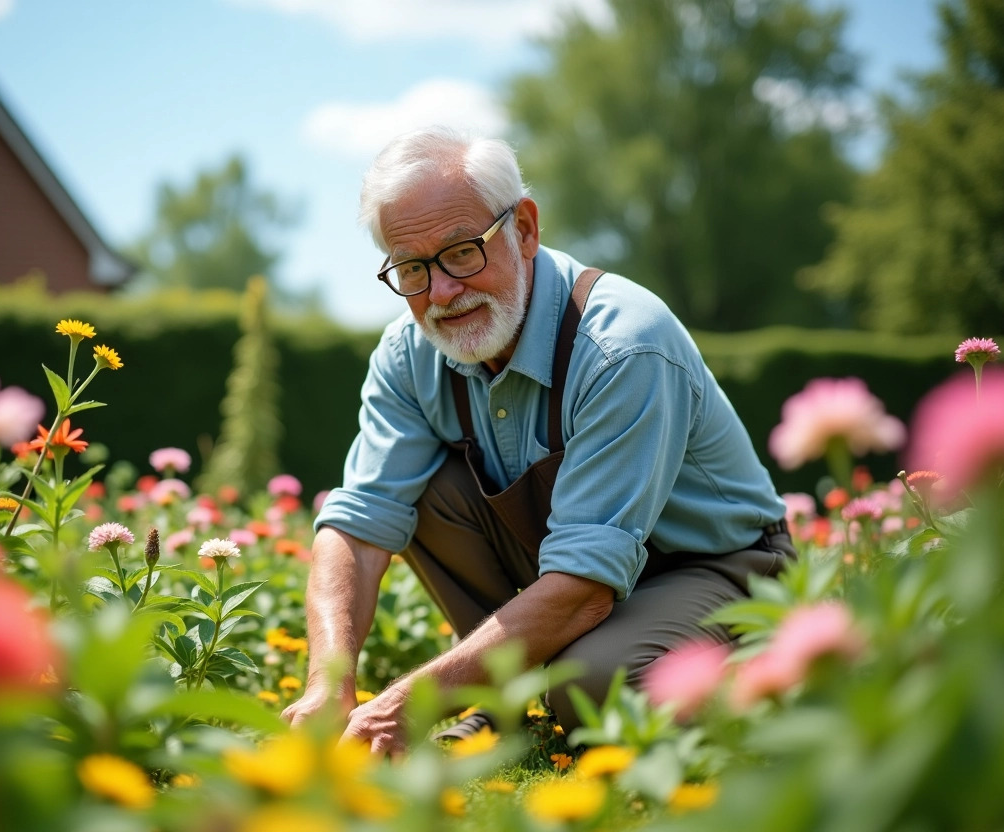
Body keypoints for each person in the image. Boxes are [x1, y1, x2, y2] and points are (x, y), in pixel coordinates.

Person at [280, 126, 794, 755]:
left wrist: (403, 704)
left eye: (462, 252)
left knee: (595, 684)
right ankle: (512, 697)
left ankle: (777, 675)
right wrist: (327, 686)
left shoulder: (622, 346)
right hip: (575, 567)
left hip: (716, 565)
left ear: (523, 228)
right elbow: (356, 530)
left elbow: (581, 591)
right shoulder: (408, 356)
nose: (441, 292)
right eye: (412, 269)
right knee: (427, 492)